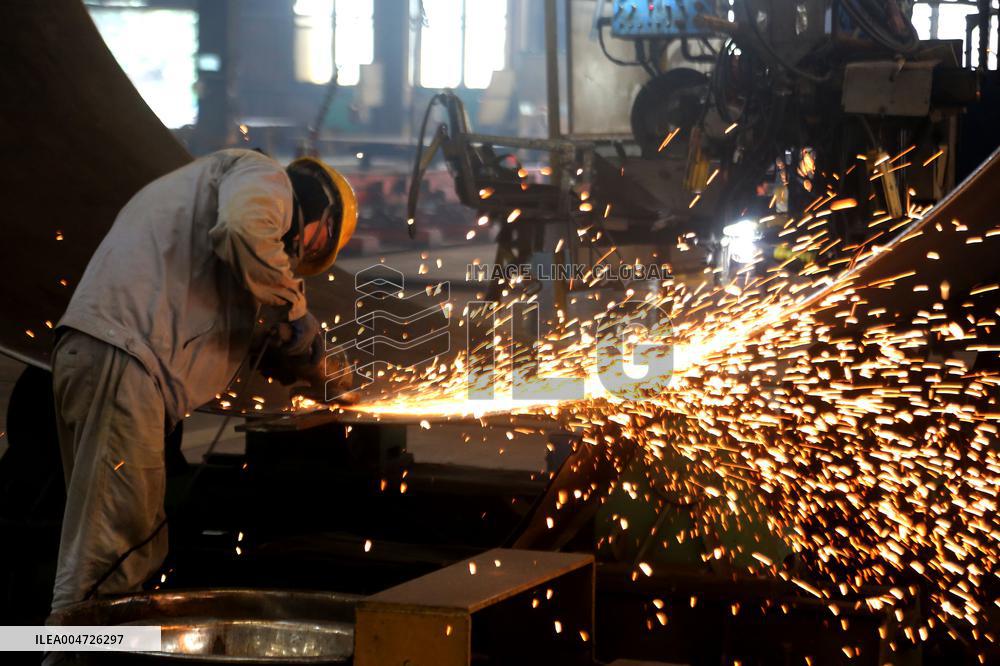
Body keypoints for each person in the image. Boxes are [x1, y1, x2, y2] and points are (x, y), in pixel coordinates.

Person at [47, 148, 356, 612]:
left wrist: (275, 350)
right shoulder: (264, 175)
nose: (300, 259)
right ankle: (71, 651)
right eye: (314, 248)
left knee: (131, 550)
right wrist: (294, 310)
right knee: (108, 567)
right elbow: (242, 230)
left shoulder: (216, 196)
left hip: (114, 361)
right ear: (322, 213)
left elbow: (204, 306)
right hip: (124, 362)